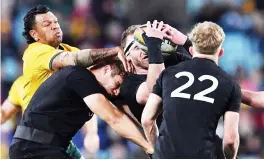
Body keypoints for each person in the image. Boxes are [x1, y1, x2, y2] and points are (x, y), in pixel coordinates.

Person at [20, 5, 130, 158]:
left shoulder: (69, 49)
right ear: (34, 34)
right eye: (47, 24)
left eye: (56, 22)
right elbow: (74, 60)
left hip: (62, 140)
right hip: (35, 138)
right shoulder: (35, 52)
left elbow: (89, 90)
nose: (55, 26)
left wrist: (91, 133)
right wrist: (113, 52)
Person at [9, 59, 153, 158]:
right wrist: (150, 148)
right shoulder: (79, 75)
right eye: (116, 84)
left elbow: (127, 112)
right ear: (106, 69)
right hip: (32, 148)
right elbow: (115, 118)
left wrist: (153, 136)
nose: (116, 92)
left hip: (51, 147)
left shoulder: (98, 89)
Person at [141, 21, 241, 159]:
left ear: (192, 50)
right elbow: (230, 140)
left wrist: (155, 153)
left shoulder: (168, 74)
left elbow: (147, 120)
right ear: (221, 53)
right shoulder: (231, 85)